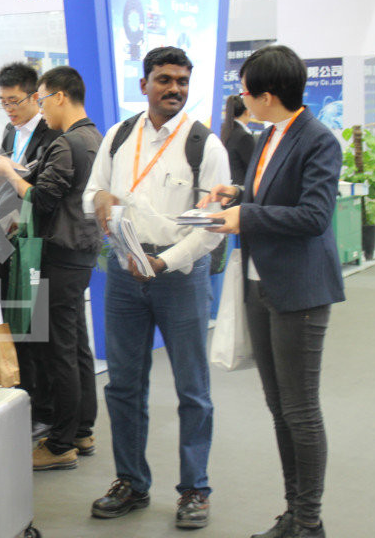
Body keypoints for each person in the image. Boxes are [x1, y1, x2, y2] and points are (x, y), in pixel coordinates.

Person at [82, 46, 230, 529]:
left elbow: (212, 226)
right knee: (124, 386)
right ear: (144, 83)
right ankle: (131, 481)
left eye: (182, 81)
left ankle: (194, 489)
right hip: (124, 271)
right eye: (164, 79)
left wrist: (164, 262)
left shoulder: (205, 145)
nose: (174, 89)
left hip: (180, 276)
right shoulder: (119, 136)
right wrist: (100, 202)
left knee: (193, 388)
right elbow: (91, 193)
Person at [201, 45, 344, 538]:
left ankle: (309, 520)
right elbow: (273, 195)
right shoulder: (268, 135)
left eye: (245, 90)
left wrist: (246, 215)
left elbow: (314, 216)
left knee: (300, 410)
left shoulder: (318, 140)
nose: (241, 98)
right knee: (279, 408)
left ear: (268, 95)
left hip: (300, 290)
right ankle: (293, 512)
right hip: (259, 284)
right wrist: (237, 195)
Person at [0, 66, 102, 472]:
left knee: (60, 352)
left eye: (41, 97)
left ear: (57, 97)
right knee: (76, 346)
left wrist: (8, 173)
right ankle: (82, 429)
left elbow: (42, 199)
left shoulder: (67, 142)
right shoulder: (95, 138)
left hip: (60, 254)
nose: (40, 106)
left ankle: (60, 443)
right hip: (81, 252)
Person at [0, 61, 61, 440]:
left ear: (36, 96)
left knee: (38, 330)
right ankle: (24, 403)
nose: (9, 109)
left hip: (37, 244)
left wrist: (11, 173)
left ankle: (46, 411)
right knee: (14, 325)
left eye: (15, 101)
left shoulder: (51, 135)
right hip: (8, 240)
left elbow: (42, 192)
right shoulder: (9, 131)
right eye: (3, 102)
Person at [221, 94, 257, 185]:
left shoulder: (226, 132)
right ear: (247, 112)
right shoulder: (244, 137)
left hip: (230, 184)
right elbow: (254, 167)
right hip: (242, 187)